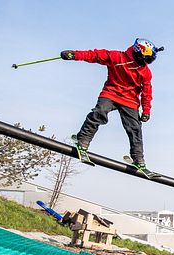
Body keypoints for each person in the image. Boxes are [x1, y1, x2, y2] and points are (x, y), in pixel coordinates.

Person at [61, 38, 163, 170]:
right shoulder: (117, 57)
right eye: (146, 59)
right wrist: (74, 55)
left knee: (135, 129)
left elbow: (147, 92)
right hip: (111, 93)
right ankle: (83, 140)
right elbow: (95, 55)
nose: (146, 63)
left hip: (130, 100)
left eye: (149, 61)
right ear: (139, 53)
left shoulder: (146, 72)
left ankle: (138, 159)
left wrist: (146, 110)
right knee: (99, 113)